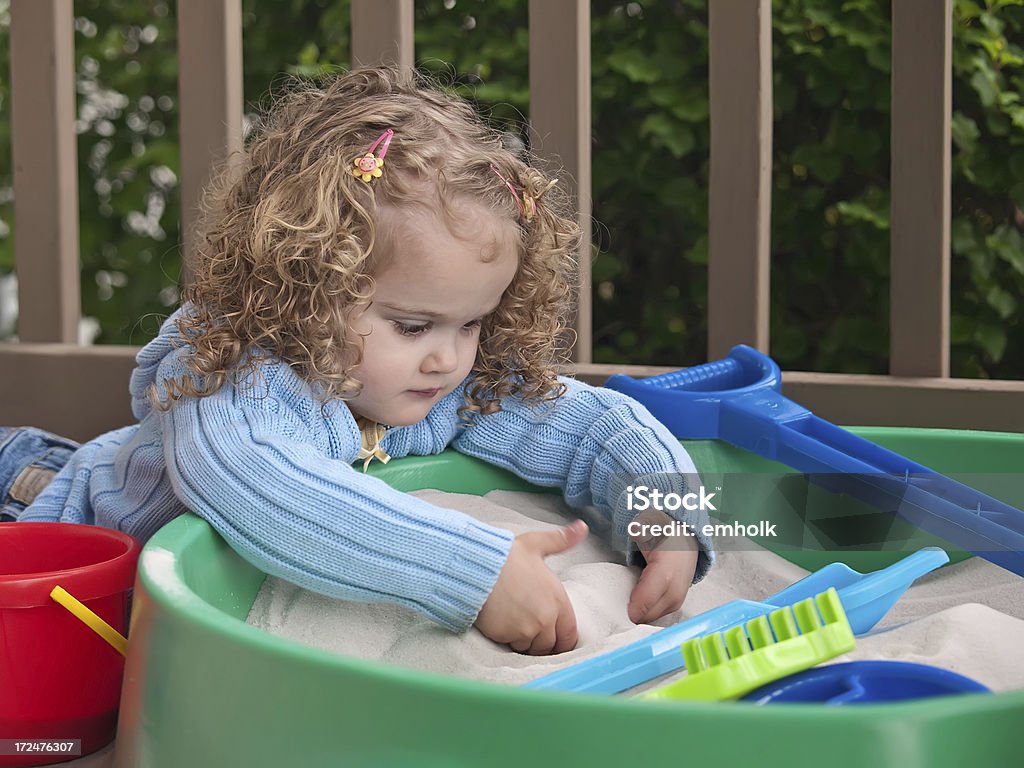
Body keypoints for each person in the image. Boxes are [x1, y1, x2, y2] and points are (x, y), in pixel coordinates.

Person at [1, 66, 713, 655]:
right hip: (35, 511)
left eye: (473, 322)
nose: (448, 356)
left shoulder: (439, 383)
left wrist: (666, 511)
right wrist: (475, 571)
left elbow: (587, 423)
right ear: (307, 286)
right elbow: (265, 487)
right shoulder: (235, 378)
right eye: (413, 324)